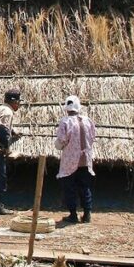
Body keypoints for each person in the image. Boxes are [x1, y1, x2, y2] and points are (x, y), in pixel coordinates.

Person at [55, 95, 95, 224]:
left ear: (66, 108)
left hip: (70, 161)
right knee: (84, 186)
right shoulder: (88, 120)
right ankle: (87, 213)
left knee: (69, 187)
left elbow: (61, 141)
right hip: (85, 160)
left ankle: (73, 214)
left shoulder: (65, 122)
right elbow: (93, 137)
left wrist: (59, 147)